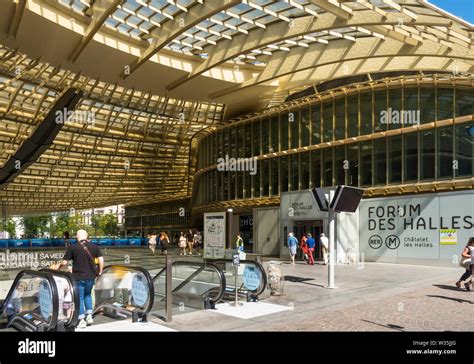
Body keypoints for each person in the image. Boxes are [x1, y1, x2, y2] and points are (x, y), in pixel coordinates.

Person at [59, 229, 104, 329]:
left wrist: (58, 266)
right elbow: (101, 260)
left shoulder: (73, 247)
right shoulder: (94, 246)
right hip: (91, 276)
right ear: (87, 236)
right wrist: (100, 271)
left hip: (78, 277)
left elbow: (64, 262)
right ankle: (89, 316)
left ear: (76, 236)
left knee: (79, 297)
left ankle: (82, 320)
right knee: (88, 295)